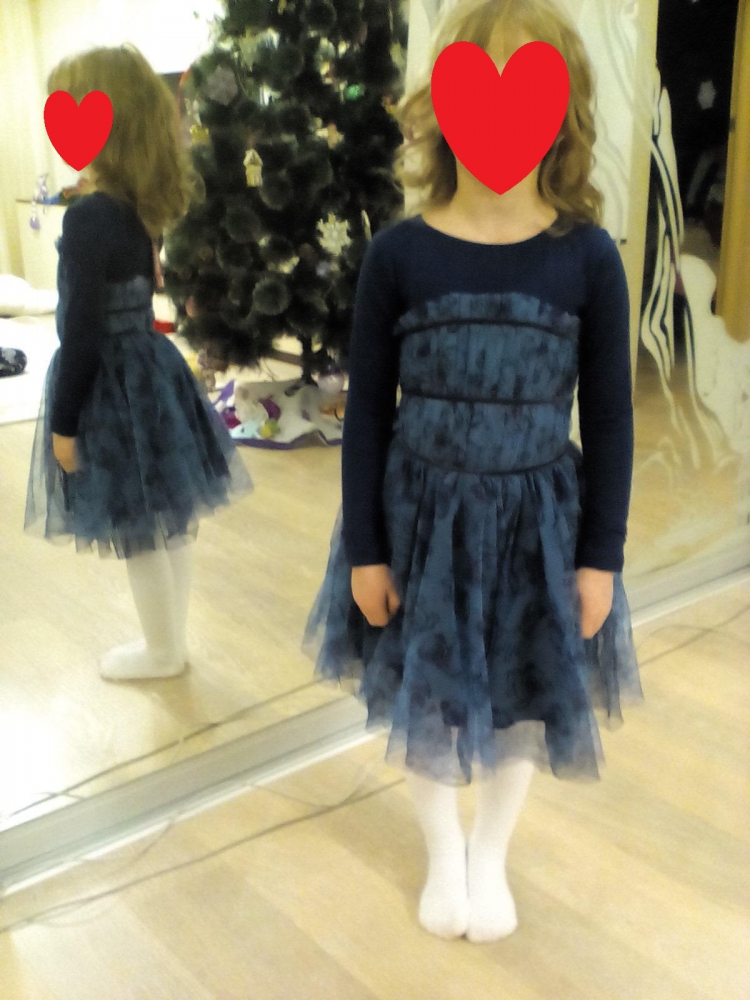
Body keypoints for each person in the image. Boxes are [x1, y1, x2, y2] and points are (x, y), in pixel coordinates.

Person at [303, 0, 643, 944]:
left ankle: (488, 854)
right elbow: (367, 415)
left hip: (540, 526)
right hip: (422, 521)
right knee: (431, 689)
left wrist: (601, 556)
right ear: (445, 107)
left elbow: (611, 417)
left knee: (523, 691)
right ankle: (442, 850)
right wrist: (367, 549)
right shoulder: (398, 255)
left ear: (561, 109)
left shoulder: (588, 258)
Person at [25, 45, 253, 681]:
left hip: (110, 383)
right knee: (165, 519)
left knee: (136, 523)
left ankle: (161, 650)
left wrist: (64, 423)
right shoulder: (134, 208)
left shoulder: (90, 216)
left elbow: (81, 328)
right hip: (151, 371)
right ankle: (169, 642)